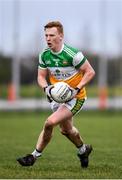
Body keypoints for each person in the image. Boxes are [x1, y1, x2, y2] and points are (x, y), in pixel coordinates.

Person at [17, 21, 95, 168]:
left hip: (75, 97)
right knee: (66, 130)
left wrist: (76, 89)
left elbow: (90, 72)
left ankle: (33, 156)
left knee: (50, 122)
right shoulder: (44, 55)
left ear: (61, 36)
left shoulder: (73, 54)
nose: (48, 38)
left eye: (51, 35)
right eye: (46, 35)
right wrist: (46, 88)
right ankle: (83, 150)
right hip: (57, 97)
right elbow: (41, 76)